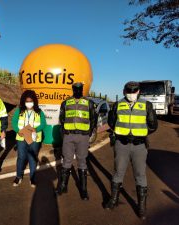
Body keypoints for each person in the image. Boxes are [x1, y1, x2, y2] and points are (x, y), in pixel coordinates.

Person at [104, 81, 158, 220]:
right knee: (118, 172)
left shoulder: (147, 105)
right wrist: (121, 133)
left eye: (134, 92)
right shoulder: (117, 105)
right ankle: (114, 200)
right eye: (128, 91)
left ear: (138, 92)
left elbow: (153, 125)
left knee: (140, 174)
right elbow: (111, 122)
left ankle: (141, 207)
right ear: (124, 91)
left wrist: (140, 135)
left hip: (139, 146)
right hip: (121, 144)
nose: (131, 94)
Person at [55, 82, 96, 200]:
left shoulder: (89, 103)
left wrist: (89, 133)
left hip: (83, 137)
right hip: (69, 136)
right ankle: (63, 186)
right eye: (75, 89)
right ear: (72, 89)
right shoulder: (66, 102)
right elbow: (62, 119)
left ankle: (83, 189)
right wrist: (64, 133)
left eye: (80, 89)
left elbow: (93, 119)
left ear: (82, 89)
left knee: (82, 161)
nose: (77, 90)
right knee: (66, 161)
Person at [11, 90, 46, 187]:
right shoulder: (19, 110)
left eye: (31, 101)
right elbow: (14, 122)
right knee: (21, 157)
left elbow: (43, 124)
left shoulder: (39, 112)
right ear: (23, 101)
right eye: (27, 101)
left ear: (34, 101)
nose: (29, 103)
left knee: (32, 158)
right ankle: (18, 176)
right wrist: (18, 130)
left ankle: (32, 178)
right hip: (21, 138)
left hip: (34, 139)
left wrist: (36, 129)